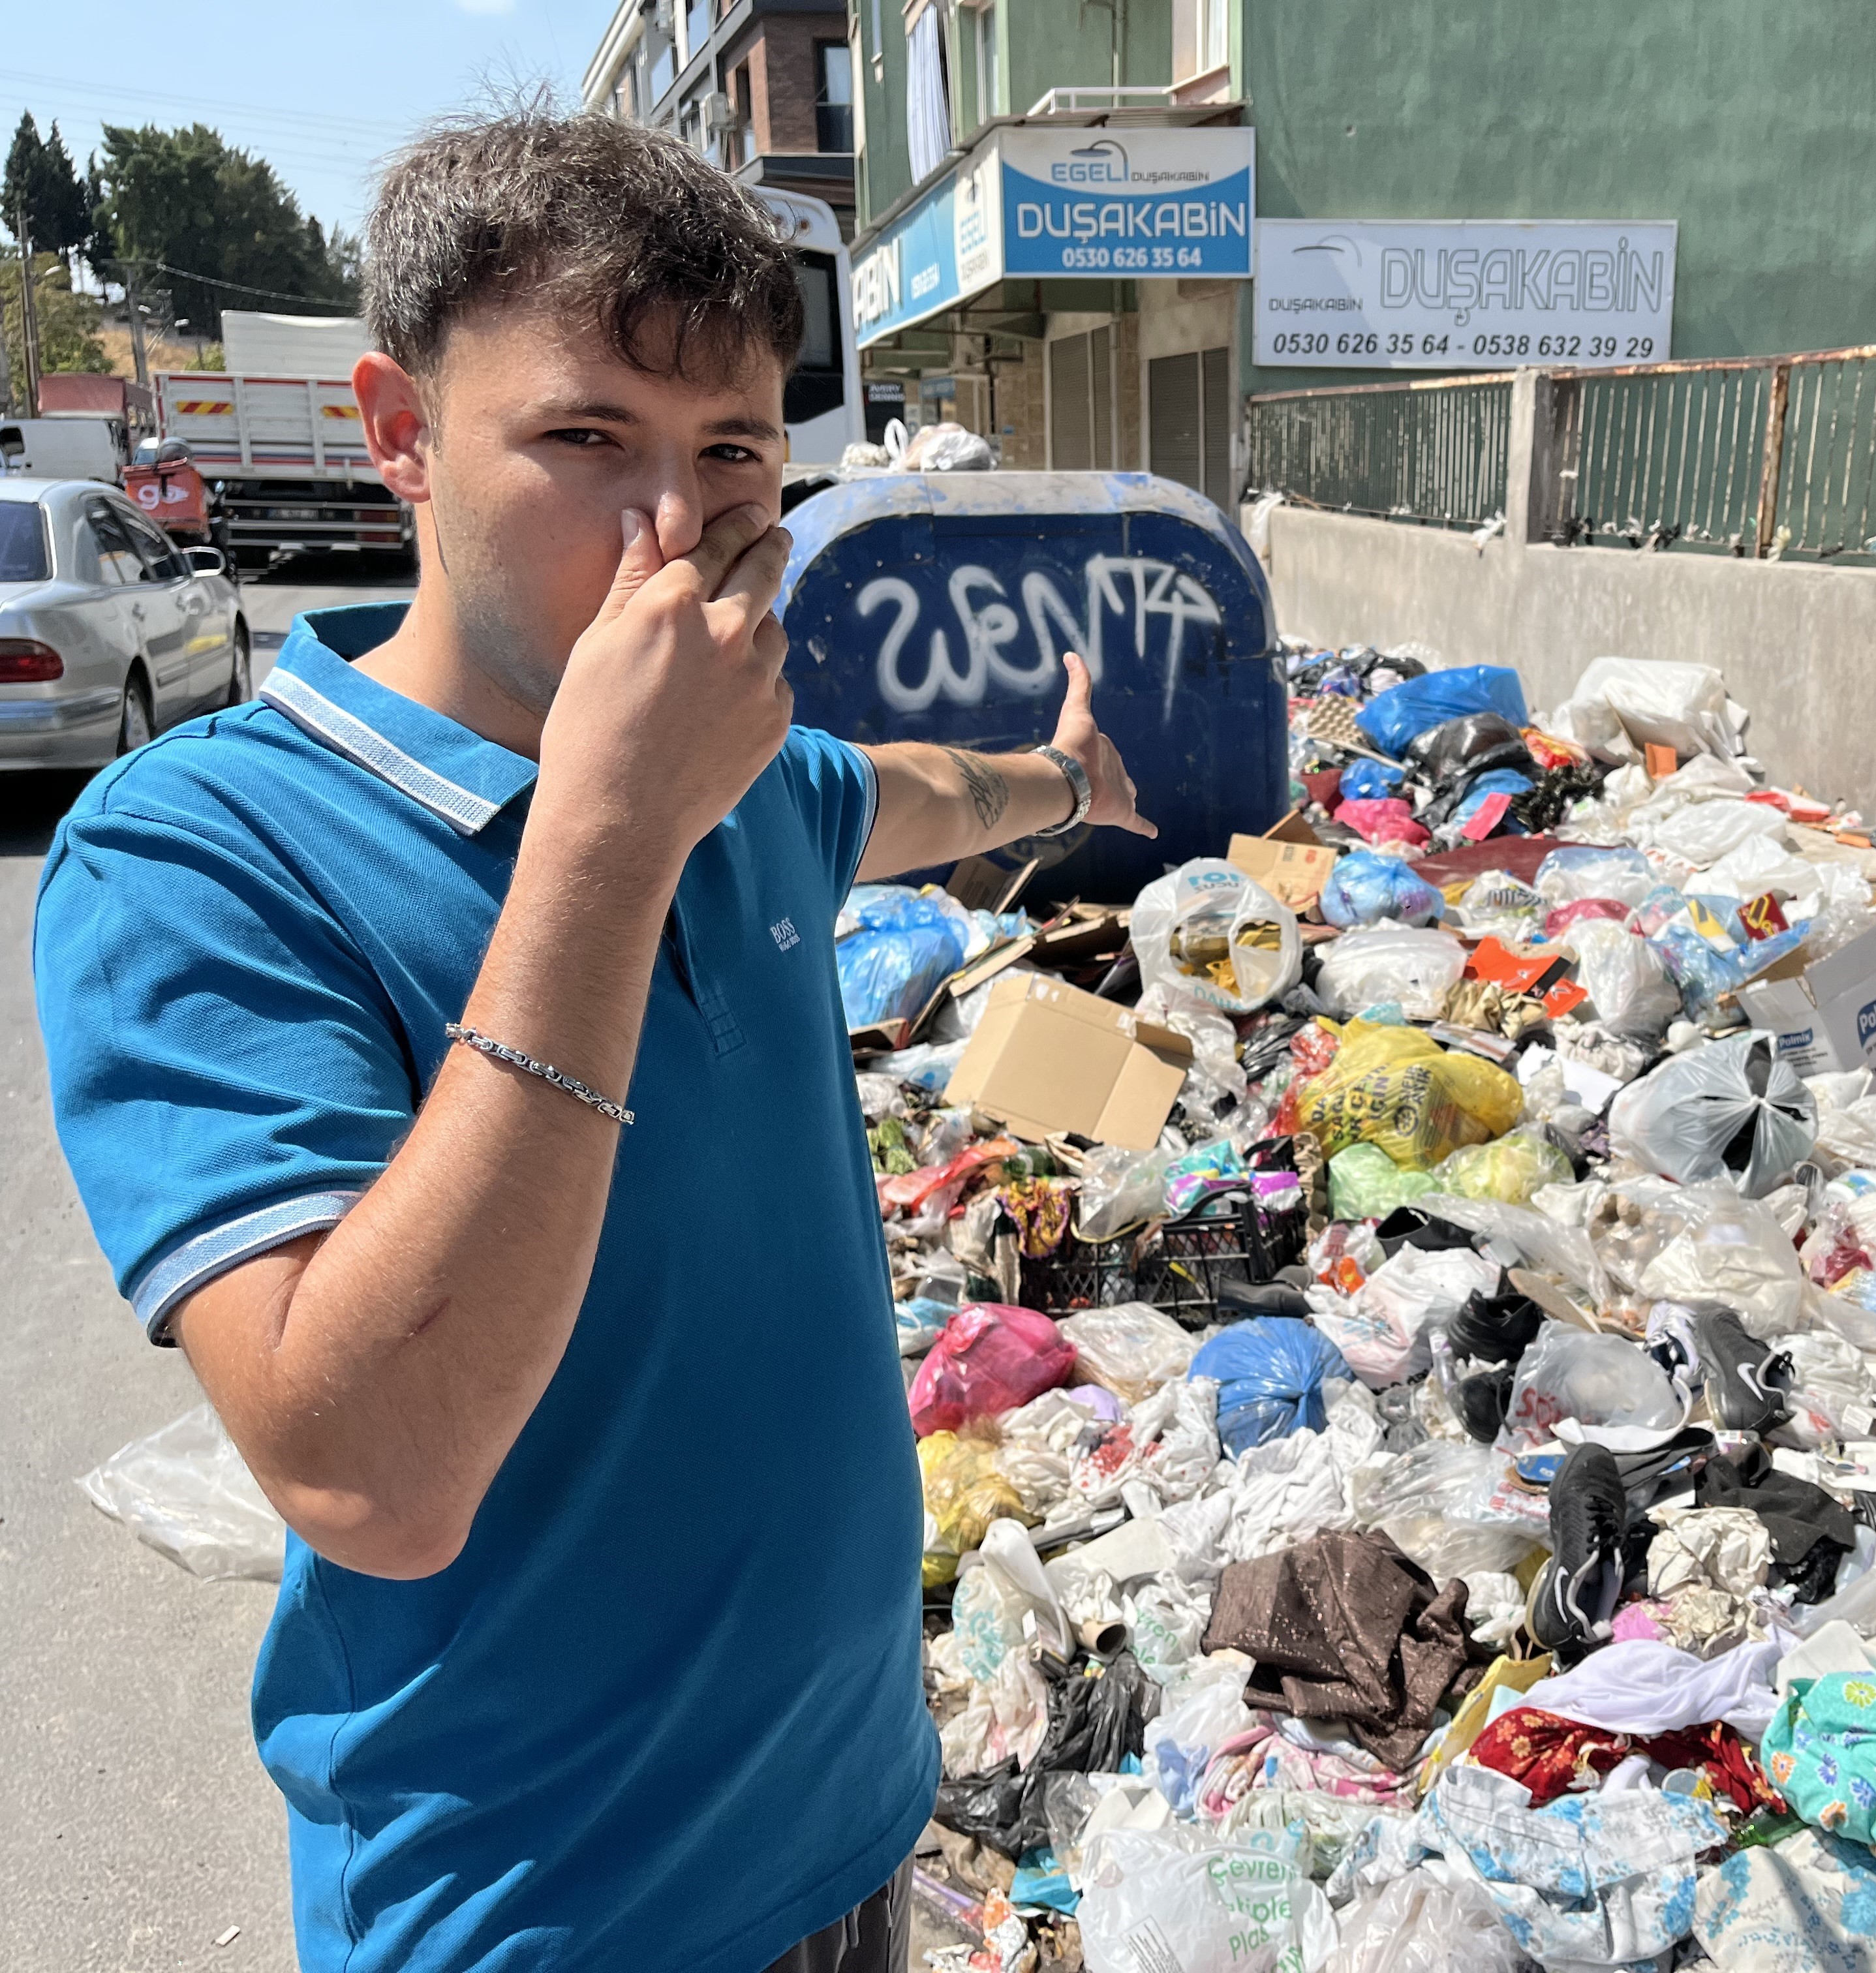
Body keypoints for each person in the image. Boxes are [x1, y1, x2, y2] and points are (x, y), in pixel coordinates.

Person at [35, 108, 1155, 1973]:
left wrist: (1060, 775)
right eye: (584, 440)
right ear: (400, 436)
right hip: (551, 1919)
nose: (679, 527)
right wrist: (607, 840)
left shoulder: (753, 787)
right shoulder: (199, 858)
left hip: (857, 1822)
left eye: (731, 453)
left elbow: (899, 791)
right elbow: (370, 1470)